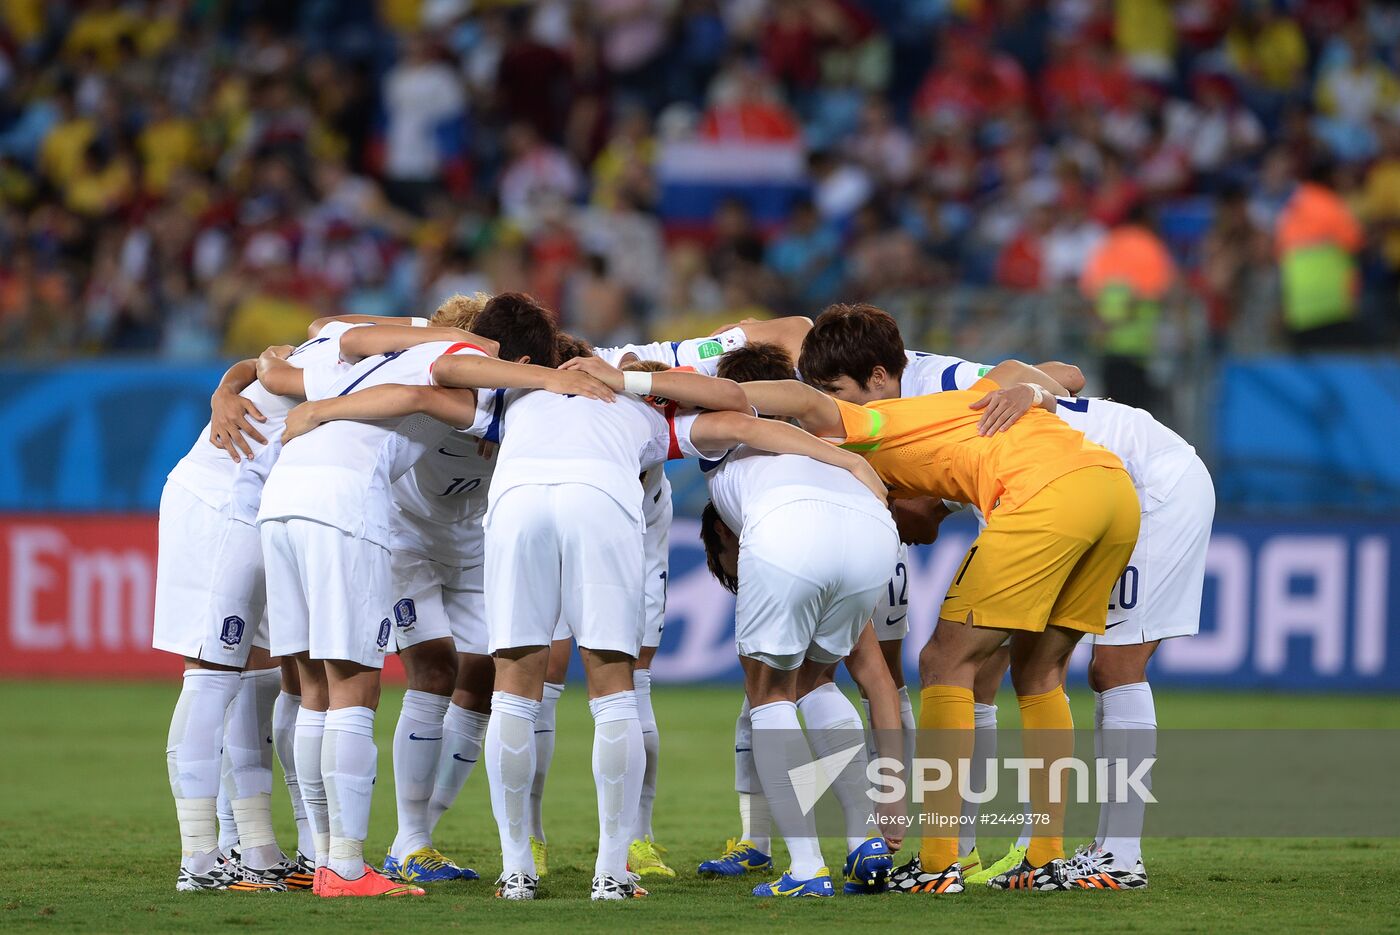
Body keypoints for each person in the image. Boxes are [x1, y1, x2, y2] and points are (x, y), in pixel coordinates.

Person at [793, 302, 1212, 890]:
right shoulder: (924, 425)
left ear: (881, 377)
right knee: (997, 669)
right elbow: (929, 506)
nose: (840, 412)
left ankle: (1117, 853)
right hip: (1054, 489)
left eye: (842, 395)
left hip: (1143, 478)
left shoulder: (933, 386)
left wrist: (1032, 392)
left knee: (1111, 668)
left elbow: (1067, 373)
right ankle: (981, 851)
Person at [738, 340, 1139, 894]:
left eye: (830, 390)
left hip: (1046, 498)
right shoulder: (970, 396)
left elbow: (787, 399)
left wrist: (676, 390)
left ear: (869, 382)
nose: (824, 403)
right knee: (1040, 675)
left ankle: (936, 864)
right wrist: (1038, 392)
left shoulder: (865, 423)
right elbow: (1061, 370)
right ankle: (1045, 858)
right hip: (1113, 489)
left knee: (944, 661)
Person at [156, 311, 476, 892]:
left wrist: (229, 385)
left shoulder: (340, 361)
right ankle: (200, 859)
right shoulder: (356, 356)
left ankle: (258, 850)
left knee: (263, 675)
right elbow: (291, 350)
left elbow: (267, 359)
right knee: (211, 675)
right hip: (224, 495)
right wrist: (224, 392)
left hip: (269, 501)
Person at [254, 302, 527, 898]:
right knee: (362, 683)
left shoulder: (368, 359)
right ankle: (348, 863)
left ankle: (332, 855)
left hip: (295, 503)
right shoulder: (441, 366)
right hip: (364, 518)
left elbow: (291, 357)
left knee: (323, 687)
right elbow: (412, 389)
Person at [692, 343, 900, 898]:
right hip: (871, 531)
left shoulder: (719, 433)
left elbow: (734, 417)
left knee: (769, 695)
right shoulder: (827, 435)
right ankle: (864, 844)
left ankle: (806, 867)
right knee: (818, 679)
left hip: (790, 531)